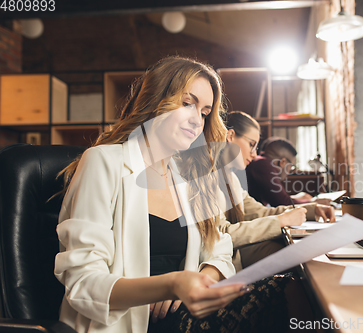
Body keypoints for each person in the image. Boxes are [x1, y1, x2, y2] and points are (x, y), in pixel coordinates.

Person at [53, 57, 286, 333]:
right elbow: (84, 283)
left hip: (180, 321)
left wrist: (202, 277)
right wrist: (170, 284)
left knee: (289, 283)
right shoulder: (103, 162)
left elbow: (220, 249)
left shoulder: (189, 175)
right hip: (119, 325)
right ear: (156, 100)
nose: (197, 120)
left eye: (204, 112)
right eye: (187, 103)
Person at [218, 111, 335, 269]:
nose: (254, 154)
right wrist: (282, 221)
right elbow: (221, 235)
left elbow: (262, 212)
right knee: (302, 258)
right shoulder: (208, 178)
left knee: (306, 253)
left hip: (234, 252)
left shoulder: (231, 179)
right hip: (224, 260)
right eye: (251, 144)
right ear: (230, 137)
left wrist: (312, 209)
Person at [246, 137, 316, 207]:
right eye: (291, 166)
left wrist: (300, 198)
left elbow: (277, 198)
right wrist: (314, 203)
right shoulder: (263, 164)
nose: (289, 172)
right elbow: (283, 203)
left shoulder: (260, 162)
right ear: (283, 162)